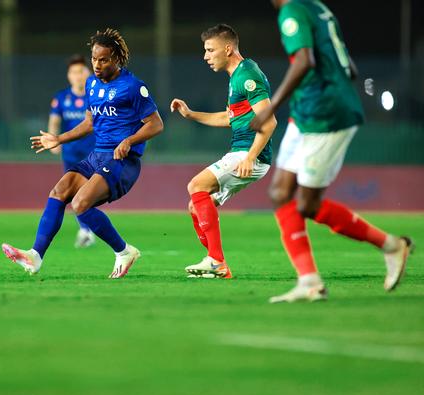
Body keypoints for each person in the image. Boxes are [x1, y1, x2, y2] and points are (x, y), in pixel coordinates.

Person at [250, 0, 413, 302]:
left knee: (308, 205)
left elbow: (304, 61)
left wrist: (271, 107)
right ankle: (309, 281)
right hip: (306, 112)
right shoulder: (317, 7)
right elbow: (348, 66)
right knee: (280, 193)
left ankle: (391, 246)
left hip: (325, 115)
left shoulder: (293, 10)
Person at [2, 28, 163, 278]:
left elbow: (156, 124)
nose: (97, 65)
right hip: (97, 156)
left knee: (80, 204)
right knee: (60, 191)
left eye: (104, 59)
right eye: (94, 59)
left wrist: (129, 140)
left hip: (122, 161)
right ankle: (35, 256)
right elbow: (90, 123)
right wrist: (58, 138)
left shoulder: (133, 86)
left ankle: (123, 251)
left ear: (117, 59)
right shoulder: (91, 84)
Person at [171, 24, 277, 279]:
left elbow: (269, 120)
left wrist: (251, 156)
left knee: (196, 185)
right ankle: (219, 266)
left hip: (250, 154)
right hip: (243, 153)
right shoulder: (236, 77)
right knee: (195, 207)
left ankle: (216, 260)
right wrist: (191, 114)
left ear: (228, 49)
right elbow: (227, 118)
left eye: (210, 50)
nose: (206, 56)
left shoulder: (247, 75)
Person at [48, 54, 96, 248]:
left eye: (81, 71)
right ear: (69, 76)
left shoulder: (95, 95)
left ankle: (88, 229)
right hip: (70, 154)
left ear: (89, 73)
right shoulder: (61, 98)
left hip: (94, 153)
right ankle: (86, 230)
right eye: (73, 72)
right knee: (74, 193)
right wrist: (53, 139)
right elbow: (55, 121)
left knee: (88, 193)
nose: (77, 76)